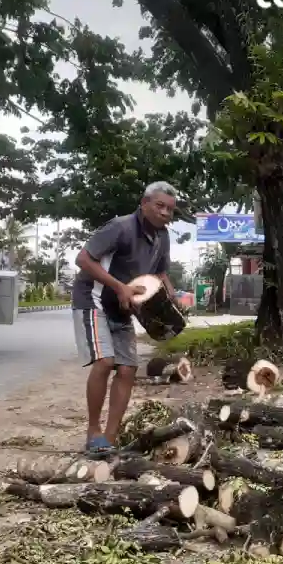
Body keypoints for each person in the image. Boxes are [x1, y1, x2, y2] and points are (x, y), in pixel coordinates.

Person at [71, 182, 178, 454]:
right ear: (144, 203)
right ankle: (93, 431)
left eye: (170, 209)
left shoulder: (163, 237)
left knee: (128, 369)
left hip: (123, 307)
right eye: (160, 205)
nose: (165, 213)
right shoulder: (120, 227)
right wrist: (119, 286)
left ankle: (109, 438)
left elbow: (161, 273)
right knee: (106, 362)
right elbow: (83, 259)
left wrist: (173, 297)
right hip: (93, 300)